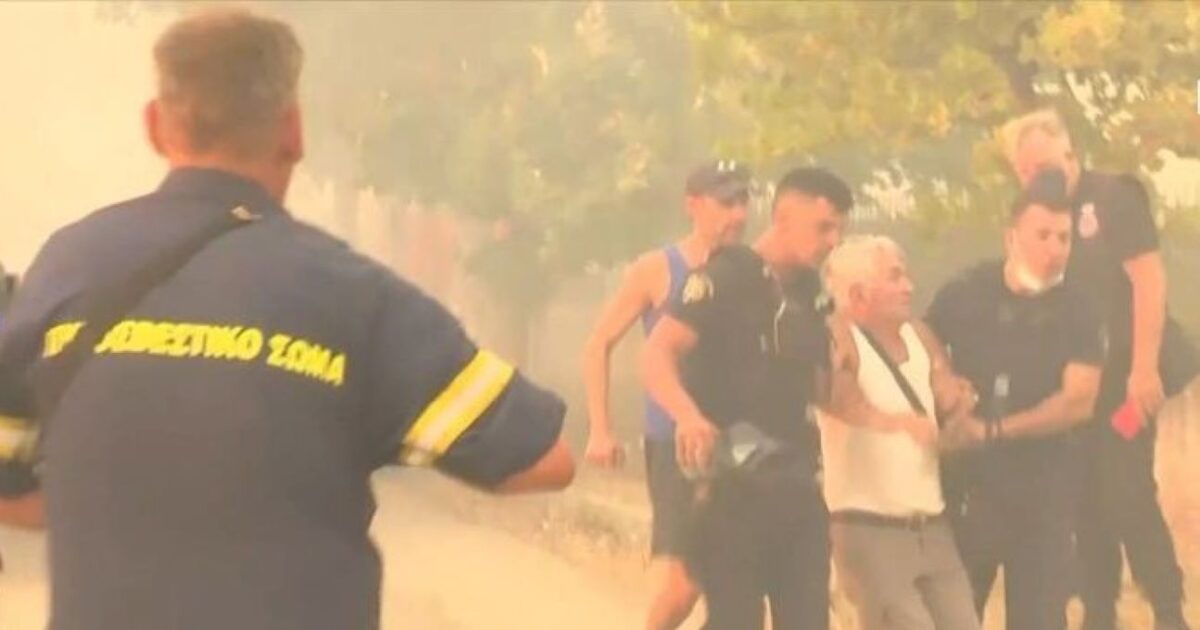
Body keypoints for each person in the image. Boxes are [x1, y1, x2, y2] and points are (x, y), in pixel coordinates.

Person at [0, 9, 573, 630]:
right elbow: (545, 459)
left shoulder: (69, 267)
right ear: (293, 131)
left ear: (155, 127)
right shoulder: (352, 294)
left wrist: (116, 499)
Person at [1002, 109, 1198, 630]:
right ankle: (1099, 608)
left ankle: (1168, 608)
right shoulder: (1036, 218)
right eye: (1025, 170)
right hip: (1083, 385)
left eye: (1044, 165)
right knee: (1085, 491)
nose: (1036, 177)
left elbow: (1149, 283)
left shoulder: (1113, 198)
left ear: (1070, 154)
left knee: (1125, 485)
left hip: (1132, 379)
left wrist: (1144, 370)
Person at [643, 166, 851, 630]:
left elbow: (826, 393)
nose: (833, 241)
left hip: (798, 485)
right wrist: (687, 416)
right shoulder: (729, 275)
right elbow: (657, 353)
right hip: (732, 486)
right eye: (823, 227)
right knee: (734, 620)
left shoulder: (812, 293)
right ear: (782, 217)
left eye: (839, 229)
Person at [925, 177, 1105, 629]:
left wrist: (993, 431)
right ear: (1012, 238)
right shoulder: (969, 288)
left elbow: (1078, 402)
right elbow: (922, 331)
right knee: (955, 614)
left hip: (1044, 490)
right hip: (971, 489)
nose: (1055, 249)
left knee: (1040, 618)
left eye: (1064, 238)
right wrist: (942, 373)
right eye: (1042, 235)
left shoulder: (1081, 307)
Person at [582, 160, 750, 630]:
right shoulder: (657, 269)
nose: (738, 214)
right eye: (725, 203)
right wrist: (600, 429)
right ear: (692, 205)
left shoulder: (751, 269)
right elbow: (598, 345)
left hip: (739, 440)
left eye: (743, 201)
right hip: (678, 443)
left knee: (739, 581)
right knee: (685, 585)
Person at [817, 235, 980, 630]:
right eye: (894, 277)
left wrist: (956, 400)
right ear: (858, 294)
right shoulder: (839, 336)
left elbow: (941, 379)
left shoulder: (919, 334)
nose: (908, 287)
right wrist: (895, 423)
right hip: (869, 528)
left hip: (931, 524)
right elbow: (836, 398)